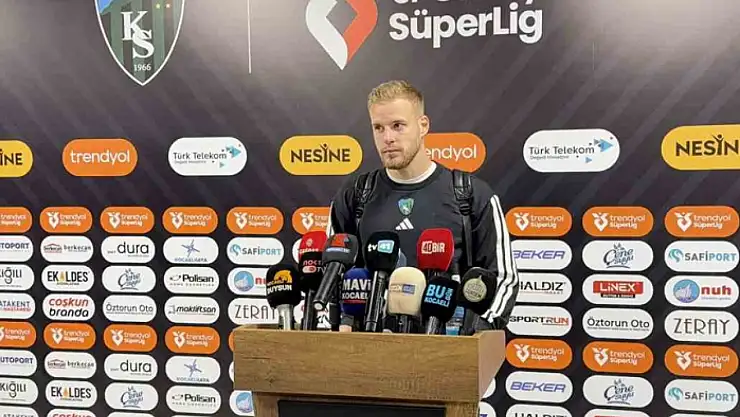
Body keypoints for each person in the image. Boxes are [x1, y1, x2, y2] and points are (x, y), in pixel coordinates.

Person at [327, 80, 519, 333]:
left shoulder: (470, 194)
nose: (388, 138)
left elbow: (503, 278)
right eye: (378, 128)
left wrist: (474, 337)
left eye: (398, 126)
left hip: (448, 348)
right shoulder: (355, 194)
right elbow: (332, 274)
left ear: (423, 125)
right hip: (370, 348)